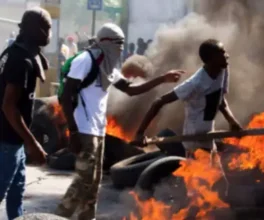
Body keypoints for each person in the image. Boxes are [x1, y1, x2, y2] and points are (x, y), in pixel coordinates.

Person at [55, 23, 184, 220]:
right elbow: (66, 96)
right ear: (105, 42)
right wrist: (73, 132)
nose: (120, 49)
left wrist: (162, 79)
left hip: (98, 130)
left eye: (122, 44)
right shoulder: (85, 60)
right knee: (83, 180)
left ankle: (87, 217)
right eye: (118, 44)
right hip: (83, 129)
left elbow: (131, 90)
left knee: (94, 182)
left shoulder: (106, 67)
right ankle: (57, 216)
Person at [135, 39, 242, 158]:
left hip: (208, 138)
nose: (227, 55)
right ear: (211, 59)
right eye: (222, 53)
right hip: (194, 142)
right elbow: (159, 101)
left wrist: (232, 121)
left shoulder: (222, 69)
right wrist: (140, 133)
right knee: (205, 176)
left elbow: (219, 98)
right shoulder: (195, 84)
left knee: (214, 175)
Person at [0, 7, 51, 220]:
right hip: (6, 141)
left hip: (14, 141)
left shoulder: (19, 52)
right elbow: (9, 106)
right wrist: (33, 143)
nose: (49, 34)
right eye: (47, 29)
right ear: (36, 30)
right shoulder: (20, 60)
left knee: (16, 197)